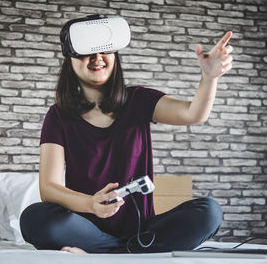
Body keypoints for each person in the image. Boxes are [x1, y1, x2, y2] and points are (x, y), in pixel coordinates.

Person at [20, 15, 233, 254]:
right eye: (86, 51)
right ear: (70, 57)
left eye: (104, 50)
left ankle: (109, 251)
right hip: (85, 229)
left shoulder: (139, 100)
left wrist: (209, 78)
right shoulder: (58, 116)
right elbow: (48, 188)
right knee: (34, 218)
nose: (97, 58)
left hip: (142, 230)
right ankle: (129, 251)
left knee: (209, 212)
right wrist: (90, 204)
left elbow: (193, 114)